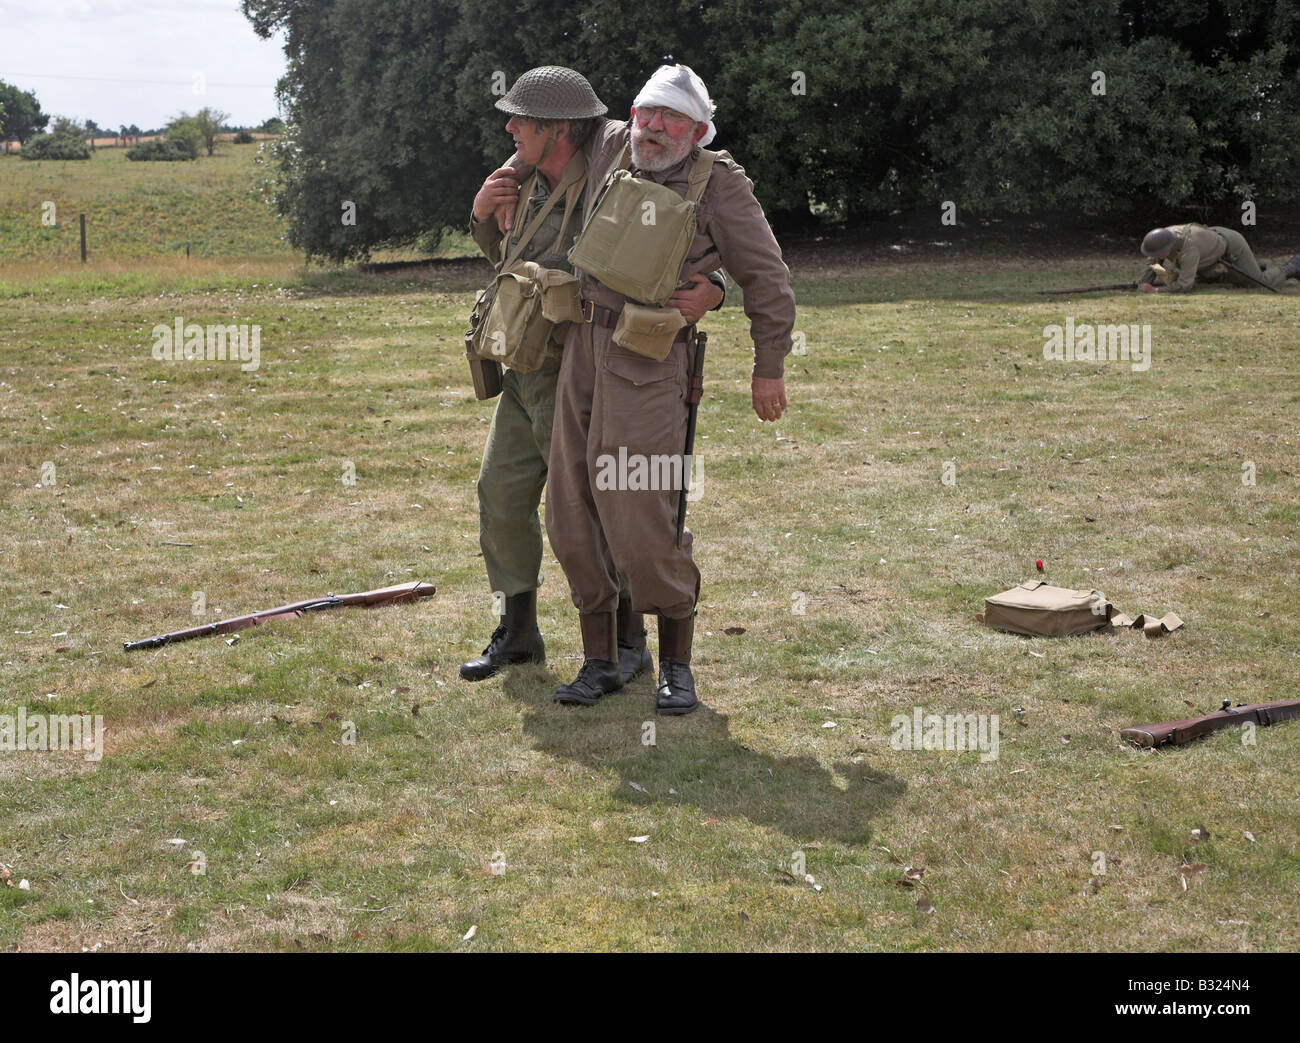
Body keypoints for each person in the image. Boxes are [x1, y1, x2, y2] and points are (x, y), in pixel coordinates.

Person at [498, 64, 796, 715]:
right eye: (647, 114)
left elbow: (768, 278)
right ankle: (602, 660)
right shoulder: (610, 146)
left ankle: (676, 669)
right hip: (581, 348)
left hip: (650, 361)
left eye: (671, 118)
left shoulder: (718, 185)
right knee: (570, 511)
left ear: (698, 128)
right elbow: (544, 140)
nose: (654, 127)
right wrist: (500, 186)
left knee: (640, 513)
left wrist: (766, 361)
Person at [460, 66, 724, 685]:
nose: (509, 126)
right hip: (527, 367)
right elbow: (506, 260)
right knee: (500, 498)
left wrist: (714, 286)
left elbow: (694, 223)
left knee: (606, 508)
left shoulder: (619, 168)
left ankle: (628, 642)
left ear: (560, 129)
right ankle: (518, 630)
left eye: (522, 118)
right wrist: (480, 213)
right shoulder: (518, 177)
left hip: (587, 366)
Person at [1137, 224, 1300, 293]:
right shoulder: (1165, 237)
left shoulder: (1189, 249)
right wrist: (1144, 283)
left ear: (1169, 247)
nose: (1156, 257)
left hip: (1232, 245)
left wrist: (1155, 290)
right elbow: (1153, 261)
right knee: (1209, 279)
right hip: (1210, 246)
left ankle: (1292, 266)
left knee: (1258, 282)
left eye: (1160, 253)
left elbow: (1185, 286)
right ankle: (1254, 267)